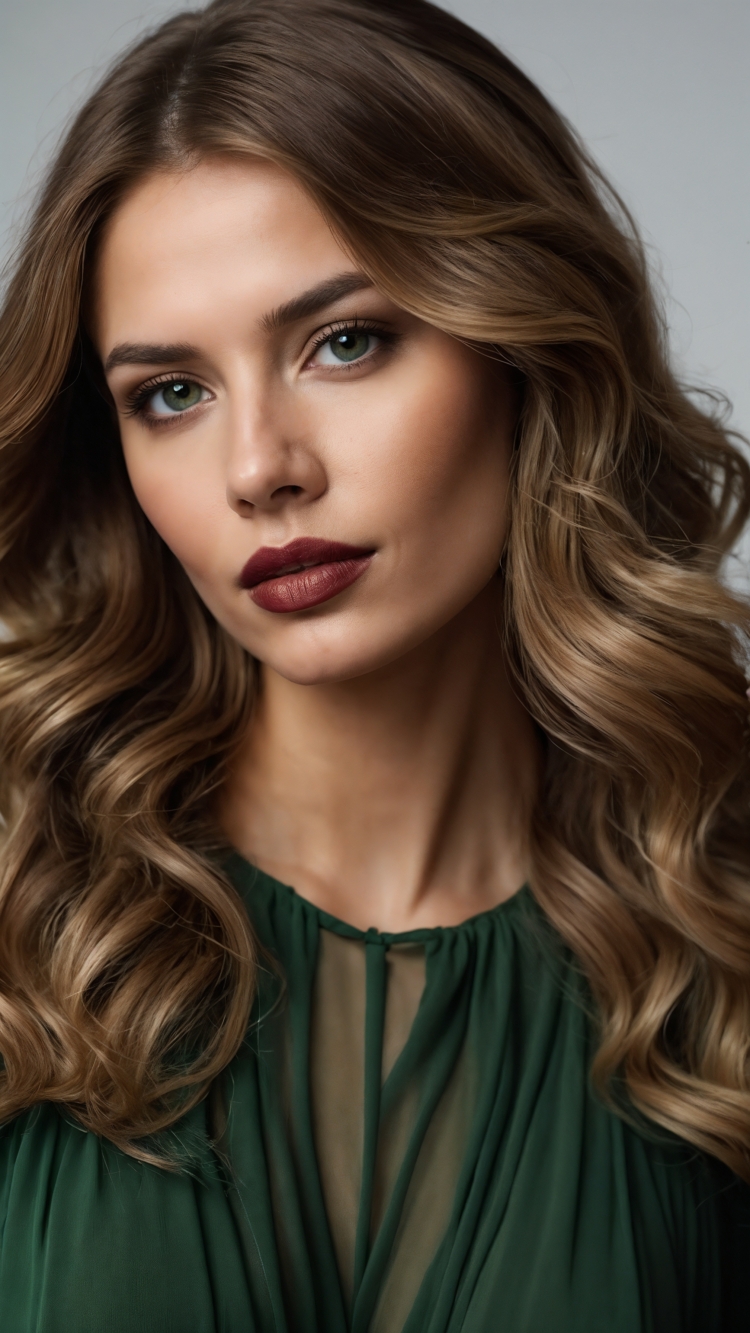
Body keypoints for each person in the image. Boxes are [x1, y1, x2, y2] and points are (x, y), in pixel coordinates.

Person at [0, 0, 748, 1327]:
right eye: (170, 393)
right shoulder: (31, 914)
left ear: (525, 349)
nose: (259, 468)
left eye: (344, 340)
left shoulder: (715, 916)